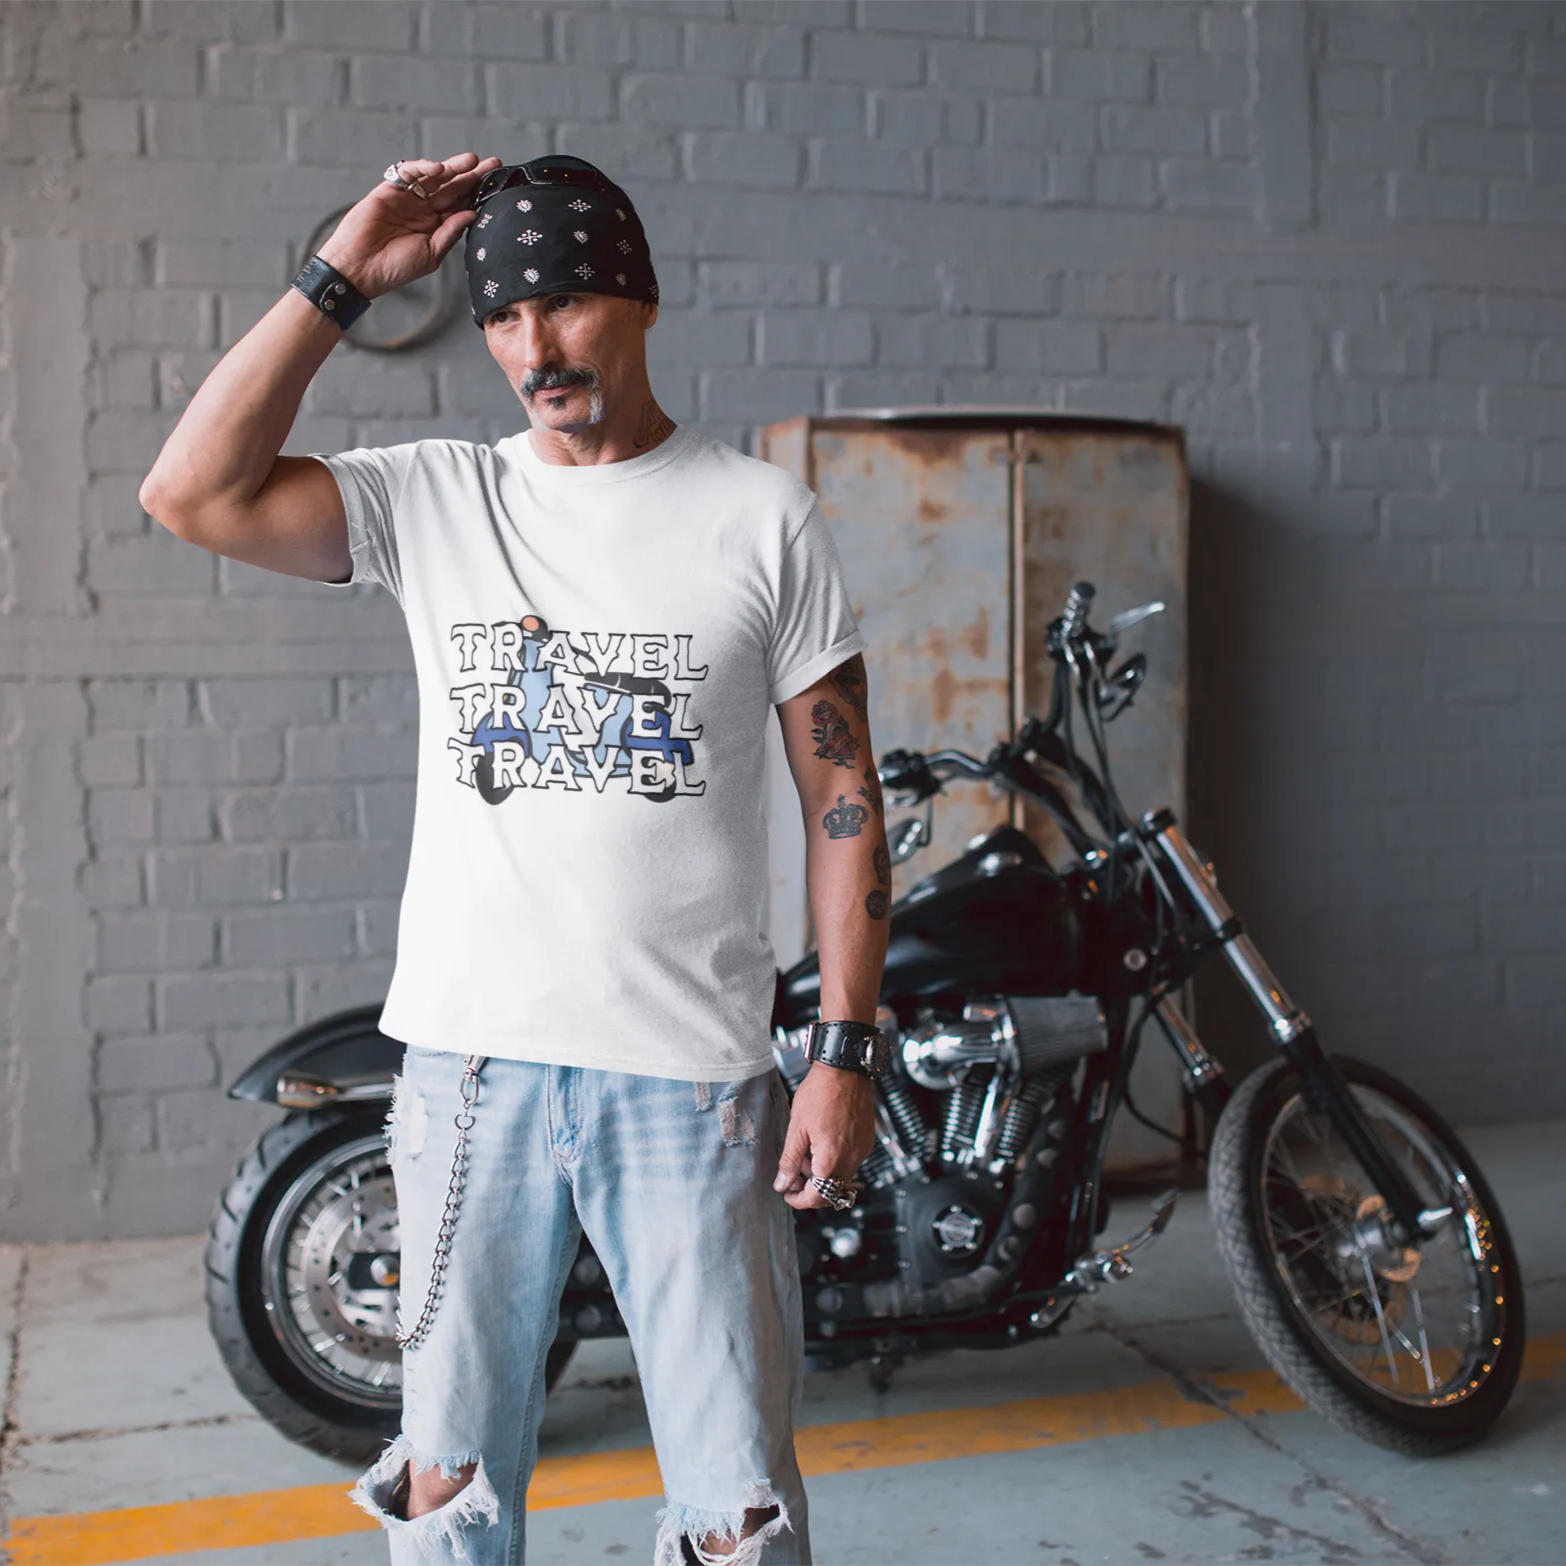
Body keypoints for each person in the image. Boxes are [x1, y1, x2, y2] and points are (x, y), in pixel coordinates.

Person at [139, 151, 893, 1566]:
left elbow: (842, 791)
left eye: (565, 303)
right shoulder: (436, 500)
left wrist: (842, 1047)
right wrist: (344, 275)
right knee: (445, 1483)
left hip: (691, 1083)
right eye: (501, 317)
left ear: (642, 299)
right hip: (468, 1084)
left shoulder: (759, 517)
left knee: (737, 1505)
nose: (534, 348)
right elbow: (190, 493)